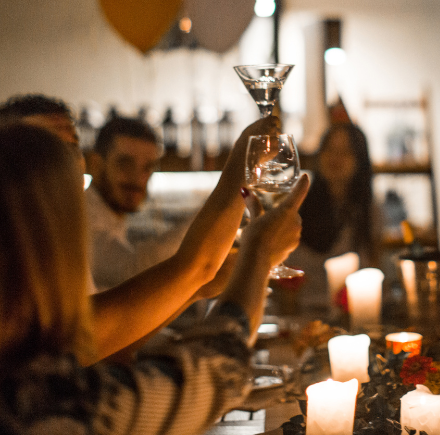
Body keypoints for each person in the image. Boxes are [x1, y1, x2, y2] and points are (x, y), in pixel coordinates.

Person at [0, 122, 308, 434]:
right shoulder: (45, 402)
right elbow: (215, 370)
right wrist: (257, 251)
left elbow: (109, 343)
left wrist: (196, 290)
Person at [0, 94, 280, 362]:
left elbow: (99, 349)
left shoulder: (58, 235)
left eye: (72, 146)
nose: (137, 178)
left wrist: (197, 289)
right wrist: (238, 175)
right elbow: (133, 270)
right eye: (46, 146)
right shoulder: (32, 247)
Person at [286, 122, 381, 312]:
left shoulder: (369, 212)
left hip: (351, 317)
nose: (335, 158)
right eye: (330, 149)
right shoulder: (298, 206)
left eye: (345, 152)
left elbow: (376, 271)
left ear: (360, 160)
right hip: (300, 315)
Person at [85, 115, 187, 291]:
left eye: (147, 168)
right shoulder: (81, 215)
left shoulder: (112, 217)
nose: (137, 179)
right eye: (125, 163)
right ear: (96, 164)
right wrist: (215, 212)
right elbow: (132, 270)